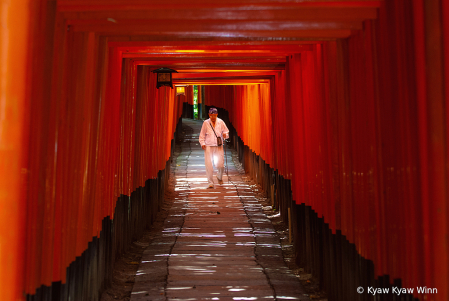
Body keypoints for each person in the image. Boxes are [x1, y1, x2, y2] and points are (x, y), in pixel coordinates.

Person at [199, 108, 230, 188]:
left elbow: (226, 131)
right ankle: (210, 182)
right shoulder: (206, 123)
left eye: (214, 115)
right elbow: (202, 135)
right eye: (211, 115)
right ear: (209, 115)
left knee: (220, 164)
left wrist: (225, 135)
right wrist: (202, 143)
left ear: (217, 115)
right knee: (209, 165)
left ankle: (219, 176)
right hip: (208, 145)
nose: (213, 117)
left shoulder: (221, 122)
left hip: (218, 146)